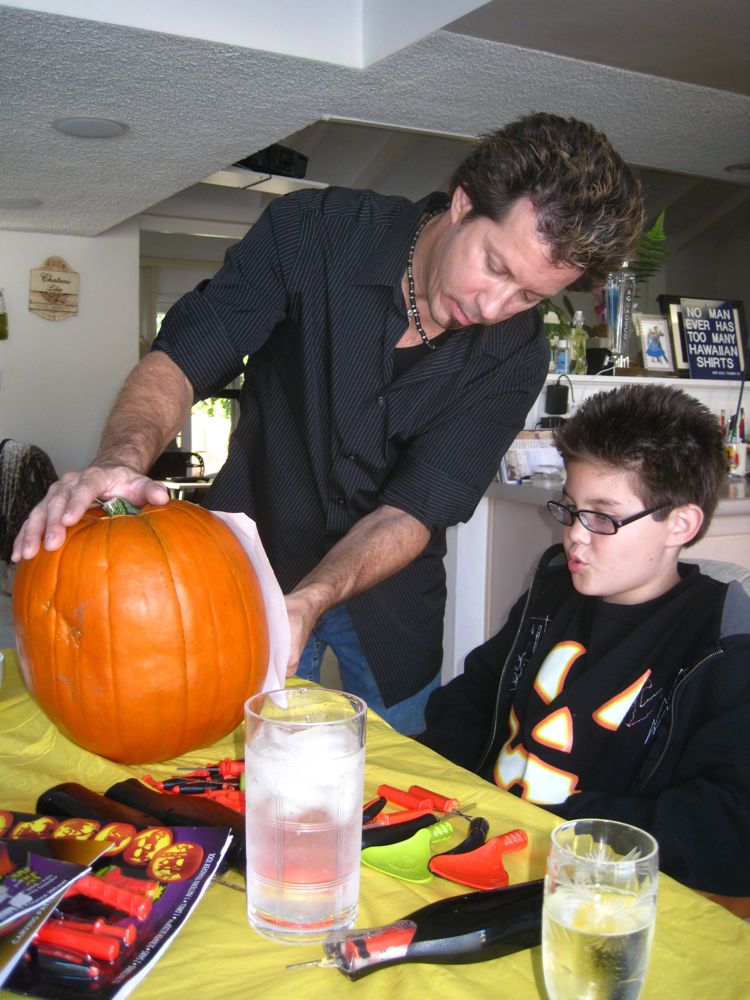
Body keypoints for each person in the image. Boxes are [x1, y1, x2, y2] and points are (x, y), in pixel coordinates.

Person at [12, 113, 644, 734]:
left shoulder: (516, 353)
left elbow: (416, 510)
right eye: (497, 267)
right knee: (243, 760)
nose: (493, 307)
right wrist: (120, 460)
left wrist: (312, 599)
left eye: (528, 296)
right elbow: (186, 354)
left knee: (400, 765)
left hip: (391, 594)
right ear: (462, 204)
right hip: (248, 567)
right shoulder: (314, 232)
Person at [418, 383, 750, 901]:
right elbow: (476, 694)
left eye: (603, 516)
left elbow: (726, 825)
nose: (574, 535)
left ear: (680, 524)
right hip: (475, 840)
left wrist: (562, 826)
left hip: (592, 886)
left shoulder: (721, 643)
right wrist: (451, 790)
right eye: (570, 508)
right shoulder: (553, 591)